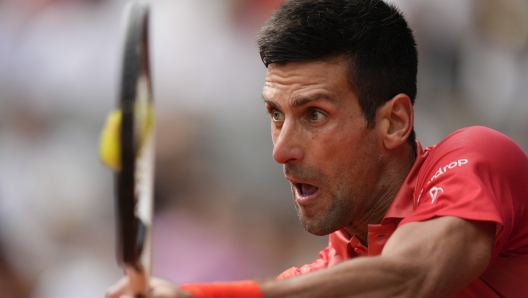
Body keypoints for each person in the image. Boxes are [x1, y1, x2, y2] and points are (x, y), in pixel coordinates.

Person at [107, 0, 528, 297]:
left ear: (394, 122)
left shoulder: (477, 157)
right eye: (275, 114)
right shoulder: (325, 277)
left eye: (314, 115)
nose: (282, 150)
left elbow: (407, 277)